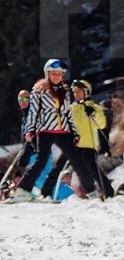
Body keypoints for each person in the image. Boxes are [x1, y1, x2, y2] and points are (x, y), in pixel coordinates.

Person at [14, 59, 81, 201]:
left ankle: (65, 196)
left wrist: (27, 152)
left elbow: (40, 126)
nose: (23, 101)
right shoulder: (25, 115)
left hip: (42, 144)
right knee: (40, 176)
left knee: (43, 174)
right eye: (20, 99)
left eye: (25, 98)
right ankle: (41, 194)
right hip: (35, 148)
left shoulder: (37, 106)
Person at [68, 79, 113, 200]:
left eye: (79, 91)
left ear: (86, 91)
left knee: (93, 169)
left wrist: (93, 114)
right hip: (74, 145)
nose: (76, 94)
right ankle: (86, 194)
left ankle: (108, 192)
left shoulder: (94, 107)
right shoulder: (72, 108)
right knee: (80, 170)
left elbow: (102, 124)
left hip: (89, 144)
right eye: (74, 92)